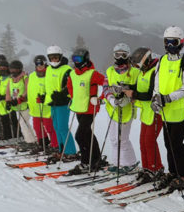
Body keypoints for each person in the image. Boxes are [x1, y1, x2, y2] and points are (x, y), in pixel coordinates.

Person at [151, 26, 184, 190]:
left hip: (181, 108)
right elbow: (157, 82)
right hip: (166, 110)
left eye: (174, 41)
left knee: (176, 142)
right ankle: (174, 171)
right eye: (167, 42)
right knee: (167, 142)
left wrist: (168, 98)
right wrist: (156, 97)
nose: (170, 45)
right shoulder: (162, 61)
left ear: (181, 42)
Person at [67, 47, 107, 175]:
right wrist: (73, 98)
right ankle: (96, 158)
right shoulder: (73, 74)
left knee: (80, 135)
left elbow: (107, 84)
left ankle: (86, 162)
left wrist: (100, 99)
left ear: (85, 59)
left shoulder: (92, 74)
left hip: (90, 108)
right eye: (74, 59)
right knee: (87, 134)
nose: (76, 62)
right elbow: (70, 86)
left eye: (78, 59)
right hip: (79, 108)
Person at [127, 47, 164, 182]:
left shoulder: (155, 71)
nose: (137, 67)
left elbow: (150, 93)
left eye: (138, 64)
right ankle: (147, 168)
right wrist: (127, 88)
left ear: (146, 60)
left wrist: (134, 94)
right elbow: (137, 88)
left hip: (155, 111)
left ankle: (156, 168)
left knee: (149, 141)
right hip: (146, 112)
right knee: (143, 141)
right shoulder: (143, 72)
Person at [102, 43, 140, 173]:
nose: (120, 57)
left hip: (127, 109)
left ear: (128, 55)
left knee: (122, 139)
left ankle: (129, 163)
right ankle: (117, 162)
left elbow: (138, 89)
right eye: (117, 54)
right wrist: (111, 99)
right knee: (113, 138)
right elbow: (106, 87)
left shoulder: (135, 72)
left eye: (123, 54)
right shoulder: (110, 71)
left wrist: (128, 96)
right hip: (112, 108)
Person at [45, 45, 78, 160]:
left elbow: (70, 87)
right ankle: (62, 150)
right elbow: (48, 85)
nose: (54, 60)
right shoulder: (48, 69)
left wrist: (61, 95)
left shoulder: (67, 70)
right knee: (56, 127)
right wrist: (45, 95)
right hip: (53, 102)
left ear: (60, 57)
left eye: (56, 57)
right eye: (51, 57)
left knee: (63, 127)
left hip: (63, 103)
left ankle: (71, 152)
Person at [27, 55, 59, 151]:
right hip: (35, 107)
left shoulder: (50, 73)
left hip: (47, 107)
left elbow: (54, 88)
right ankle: (43, 143)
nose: (39, 66)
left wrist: (45, 97)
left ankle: (55, 145)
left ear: (45, 64)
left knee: (50, 127)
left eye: (41, 63)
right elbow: (30, 90)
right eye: (37, 64)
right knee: (37, 127)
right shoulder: (32, 75)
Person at [5, 60, 37, 144]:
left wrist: (20, 99)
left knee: (23, 123)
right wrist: (8, 102)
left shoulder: (25, 78)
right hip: (17, 106)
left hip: (25, 105)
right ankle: (32, 139)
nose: (13, 72)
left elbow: (28, 90)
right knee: (25, 123)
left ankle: (29, 141)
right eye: (11, 70)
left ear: (20, 69)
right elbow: (8, 92)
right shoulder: (10, 79)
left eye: (15, 70)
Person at [0, 58, 18, 141]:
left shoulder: (11, 78)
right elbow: (0, 89)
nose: (2, 70)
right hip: (1, 105)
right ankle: (6, 135)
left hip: (9, 103)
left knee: (12, 120)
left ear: (8, 68)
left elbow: (15, 92)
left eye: (4, 68)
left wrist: (4, 97)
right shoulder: (1, 78)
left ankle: (16, 135)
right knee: (4, 121)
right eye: (0, 68)